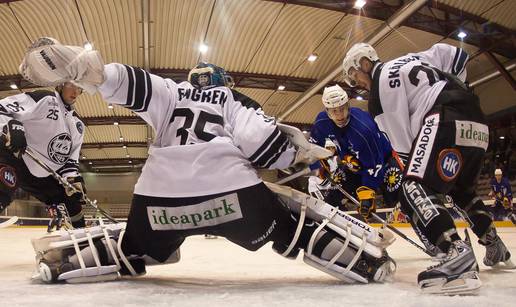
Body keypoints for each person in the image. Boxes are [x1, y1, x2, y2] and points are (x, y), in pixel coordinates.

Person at [23, 38, 395, 285]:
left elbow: (119, 83)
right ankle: (362, 262)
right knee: (290, 222)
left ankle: (65, 264)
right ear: (223, 81)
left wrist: (82, 70)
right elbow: (260, 143)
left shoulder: (170, 91)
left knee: (133, 246)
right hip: (234, 200)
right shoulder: (234, 99)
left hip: (159, 202)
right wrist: (296, 152)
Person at [342, 42, 512, 294]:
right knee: (461, 190)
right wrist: (458, 89)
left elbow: (404, 148)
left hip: (443, 118)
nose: (359, 85)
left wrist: (421, 184)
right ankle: (494, 244)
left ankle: (455, 251)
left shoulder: (379, 94)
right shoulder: (412, 57)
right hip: (476, 118)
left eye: (356, 78)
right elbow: (456, 55)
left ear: (365, 64)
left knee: (412, 186)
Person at [309, 84, 403, 222]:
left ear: (348, 105)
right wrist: (318, 165)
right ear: (327, 111)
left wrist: (367, 193)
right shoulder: (322, 122)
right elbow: (313, 145)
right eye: (334, 111)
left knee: (397, 203)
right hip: (352, 164)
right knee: (332, 199)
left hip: (384, 162)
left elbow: (375, 164)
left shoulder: (363, 129)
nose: (339, 115)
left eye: (342, 109)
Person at [0, 81, 86, 229]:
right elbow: (2, 109)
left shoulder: (78, 125)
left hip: (44, 174)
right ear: (61, 85)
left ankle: (82, 243)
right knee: (4, 183)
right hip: (17, 156)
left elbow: (70, 162)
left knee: (71, 203)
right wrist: (12, 125)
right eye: (72, 86)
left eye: (79, 88)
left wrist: (73, 179)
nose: (75, 92)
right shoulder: (45, 99)